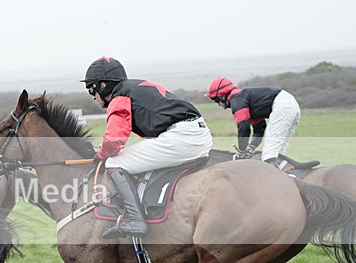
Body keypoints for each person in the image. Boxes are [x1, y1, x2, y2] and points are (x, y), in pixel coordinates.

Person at [83, 57, 213, 239]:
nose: (92, 96)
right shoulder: (133, 87)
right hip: (197, 134)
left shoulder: (119, 98)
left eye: (91, 89)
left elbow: (114, 141)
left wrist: (101, 155)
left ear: (103, 85)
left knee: (114, 162)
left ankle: (135, 219)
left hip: (183, 137)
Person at [205, 77, 301, 169]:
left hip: (283, 106)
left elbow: (243, 126)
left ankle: (275, 183)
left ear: (222, 96)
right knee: (278, 154)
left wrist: (242, 151)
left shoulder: (236, 99)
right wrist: (251, 148)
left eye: (216, 100)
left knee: (269, 155)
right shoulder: (249, 101)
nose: (218, 104)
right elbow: (259, 130)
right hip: (290, 105)